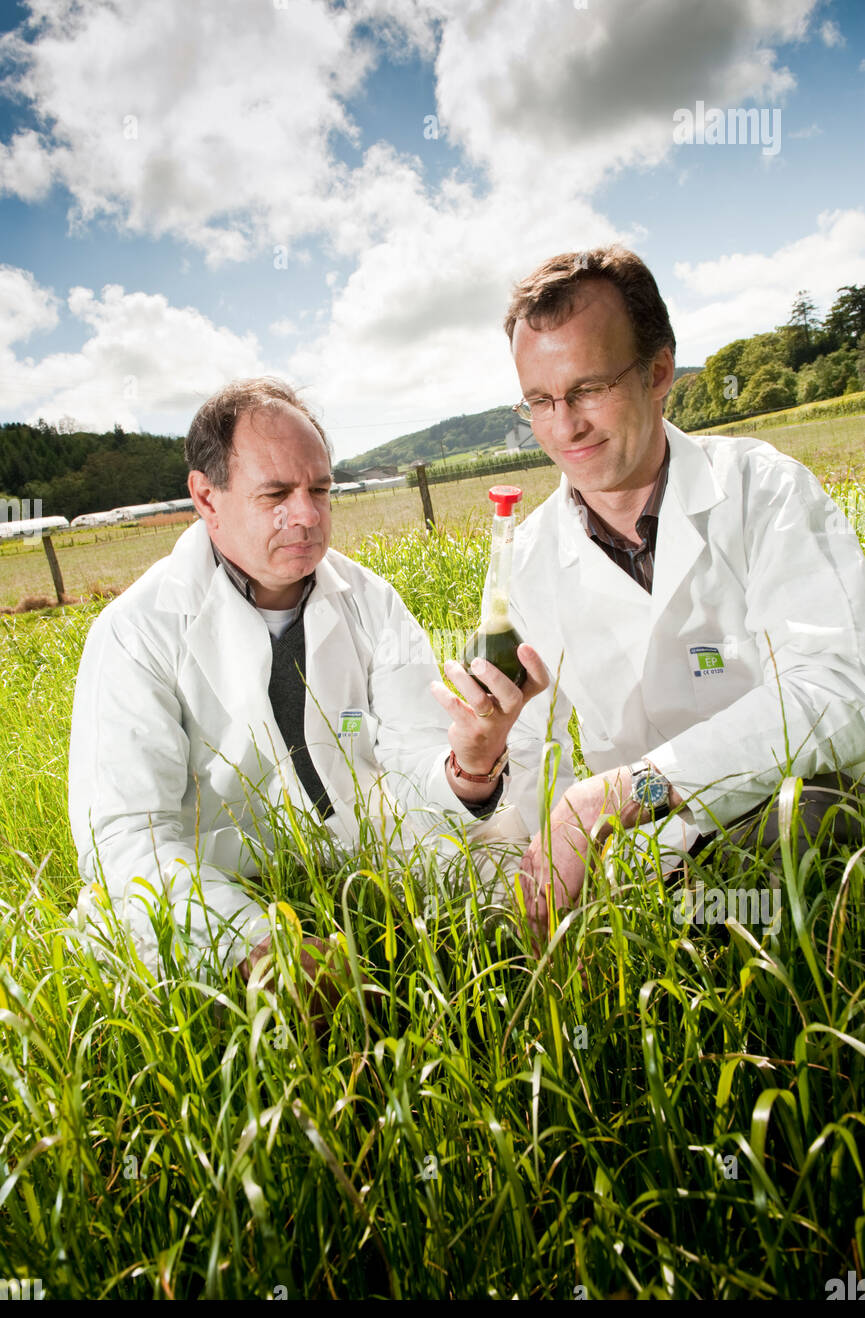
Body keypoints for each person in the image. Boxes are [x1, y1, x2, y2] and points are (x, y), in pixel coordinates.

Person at [68, 378, 546, 978]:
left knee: (520, 873)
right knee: (116, 925)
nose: (307, 514)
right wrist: (259, 946)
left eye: (320, 489)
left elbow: (414, 763)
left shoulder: (370, 602)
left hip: (369, 866)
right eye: (276, 493)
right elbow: (128, 835)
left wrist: (471, 766)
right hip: (223, 884)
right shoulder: (136, 630)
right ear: (206, 497)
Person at [478, 247, 865, 938]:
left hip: (762, 812)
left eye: (588, 388)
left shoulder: (761, 490)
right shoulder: (530, 559)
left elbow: (837, 689)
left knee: (803, 813)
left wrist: (628, 791)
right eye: (540, 400)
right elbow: (544, 757)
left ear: (659, 373)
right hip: (630, 848)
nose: (564, 427)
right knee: (486, 866)